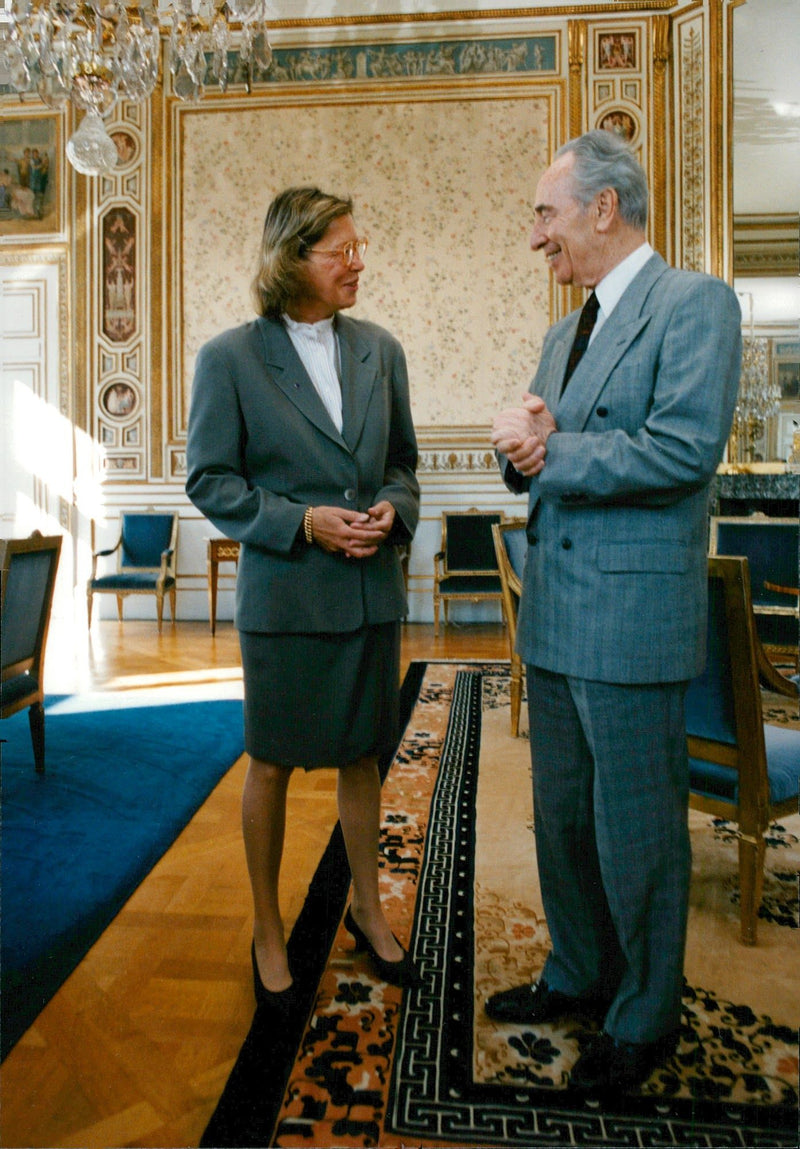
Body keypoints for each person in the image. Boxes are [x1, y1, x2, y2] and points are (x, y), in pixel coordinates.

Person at [487, 130, 742, 1093]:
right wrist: (521, 446)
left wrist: (556, 453)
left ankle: (646, 1012)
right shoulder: (564, 331)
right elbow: (545, 451)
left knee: (636, 826)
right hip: (553, 616)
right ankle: (578, 971)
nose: (536, 238)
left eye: (545, 215)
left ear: (603, 207)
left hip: (631, 621)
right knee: (560, 816)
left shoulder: (695, 304)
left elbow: (683, 450)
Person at [185, 186, 420, 1011]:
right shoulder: (230, 358)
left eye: (359, 246)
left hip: (368, 598)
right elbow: (209, 479)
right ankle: (267, 929)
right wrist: (303, 522)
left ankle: (366, 908)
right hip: (286, 600)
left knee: (363, 756)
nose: (359, 262)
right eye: (341, 250)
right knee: (274, 762)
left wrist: (397, 510)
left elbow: (403, 464)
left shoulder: (381, 350)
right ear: (292, 260)